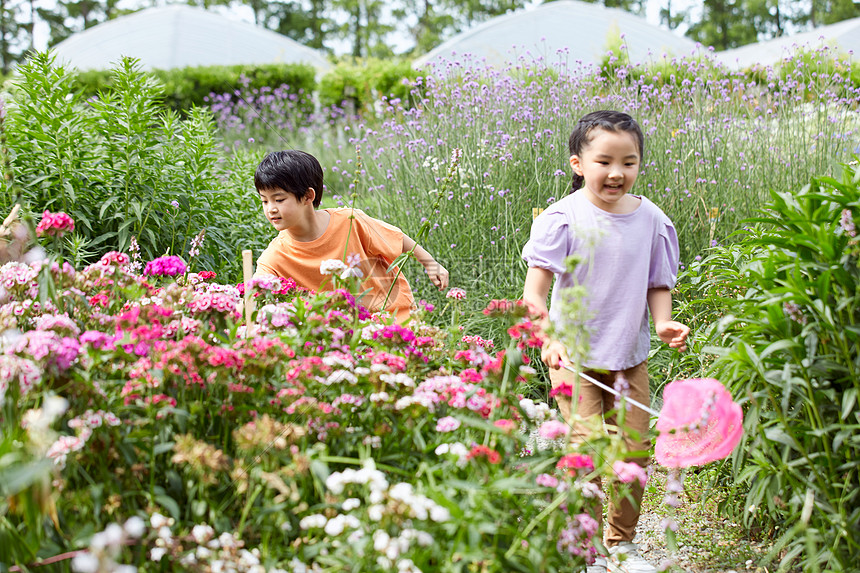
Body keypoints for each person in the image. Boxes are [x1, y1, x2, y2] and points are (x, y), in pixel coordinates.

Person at [521, 110, 689, 573]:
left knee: (634, 451)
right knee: (590, 449)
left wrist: (664, 324)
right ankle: (589, 551)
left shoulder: (652, 219)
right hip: (570, 357)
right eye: (604, 161)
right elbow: (534, 294)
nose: (617, 172)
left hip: (628, 355)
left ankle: (623, 544)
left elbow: (658, 283)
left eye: (629, 162)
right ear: (578, 164)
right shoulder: (563, 218)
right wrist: (548, 339)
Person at [253, 150, 449, 322]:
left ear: (308, 196)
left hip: (393, 318)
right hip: (341, 335)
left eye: (279, 199)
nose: (271, 209)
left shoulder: (350, 221)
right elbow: (253, 292)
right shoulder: (276, 255)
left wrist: (431, 264)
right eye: (264, 201)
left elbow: (397, 238)